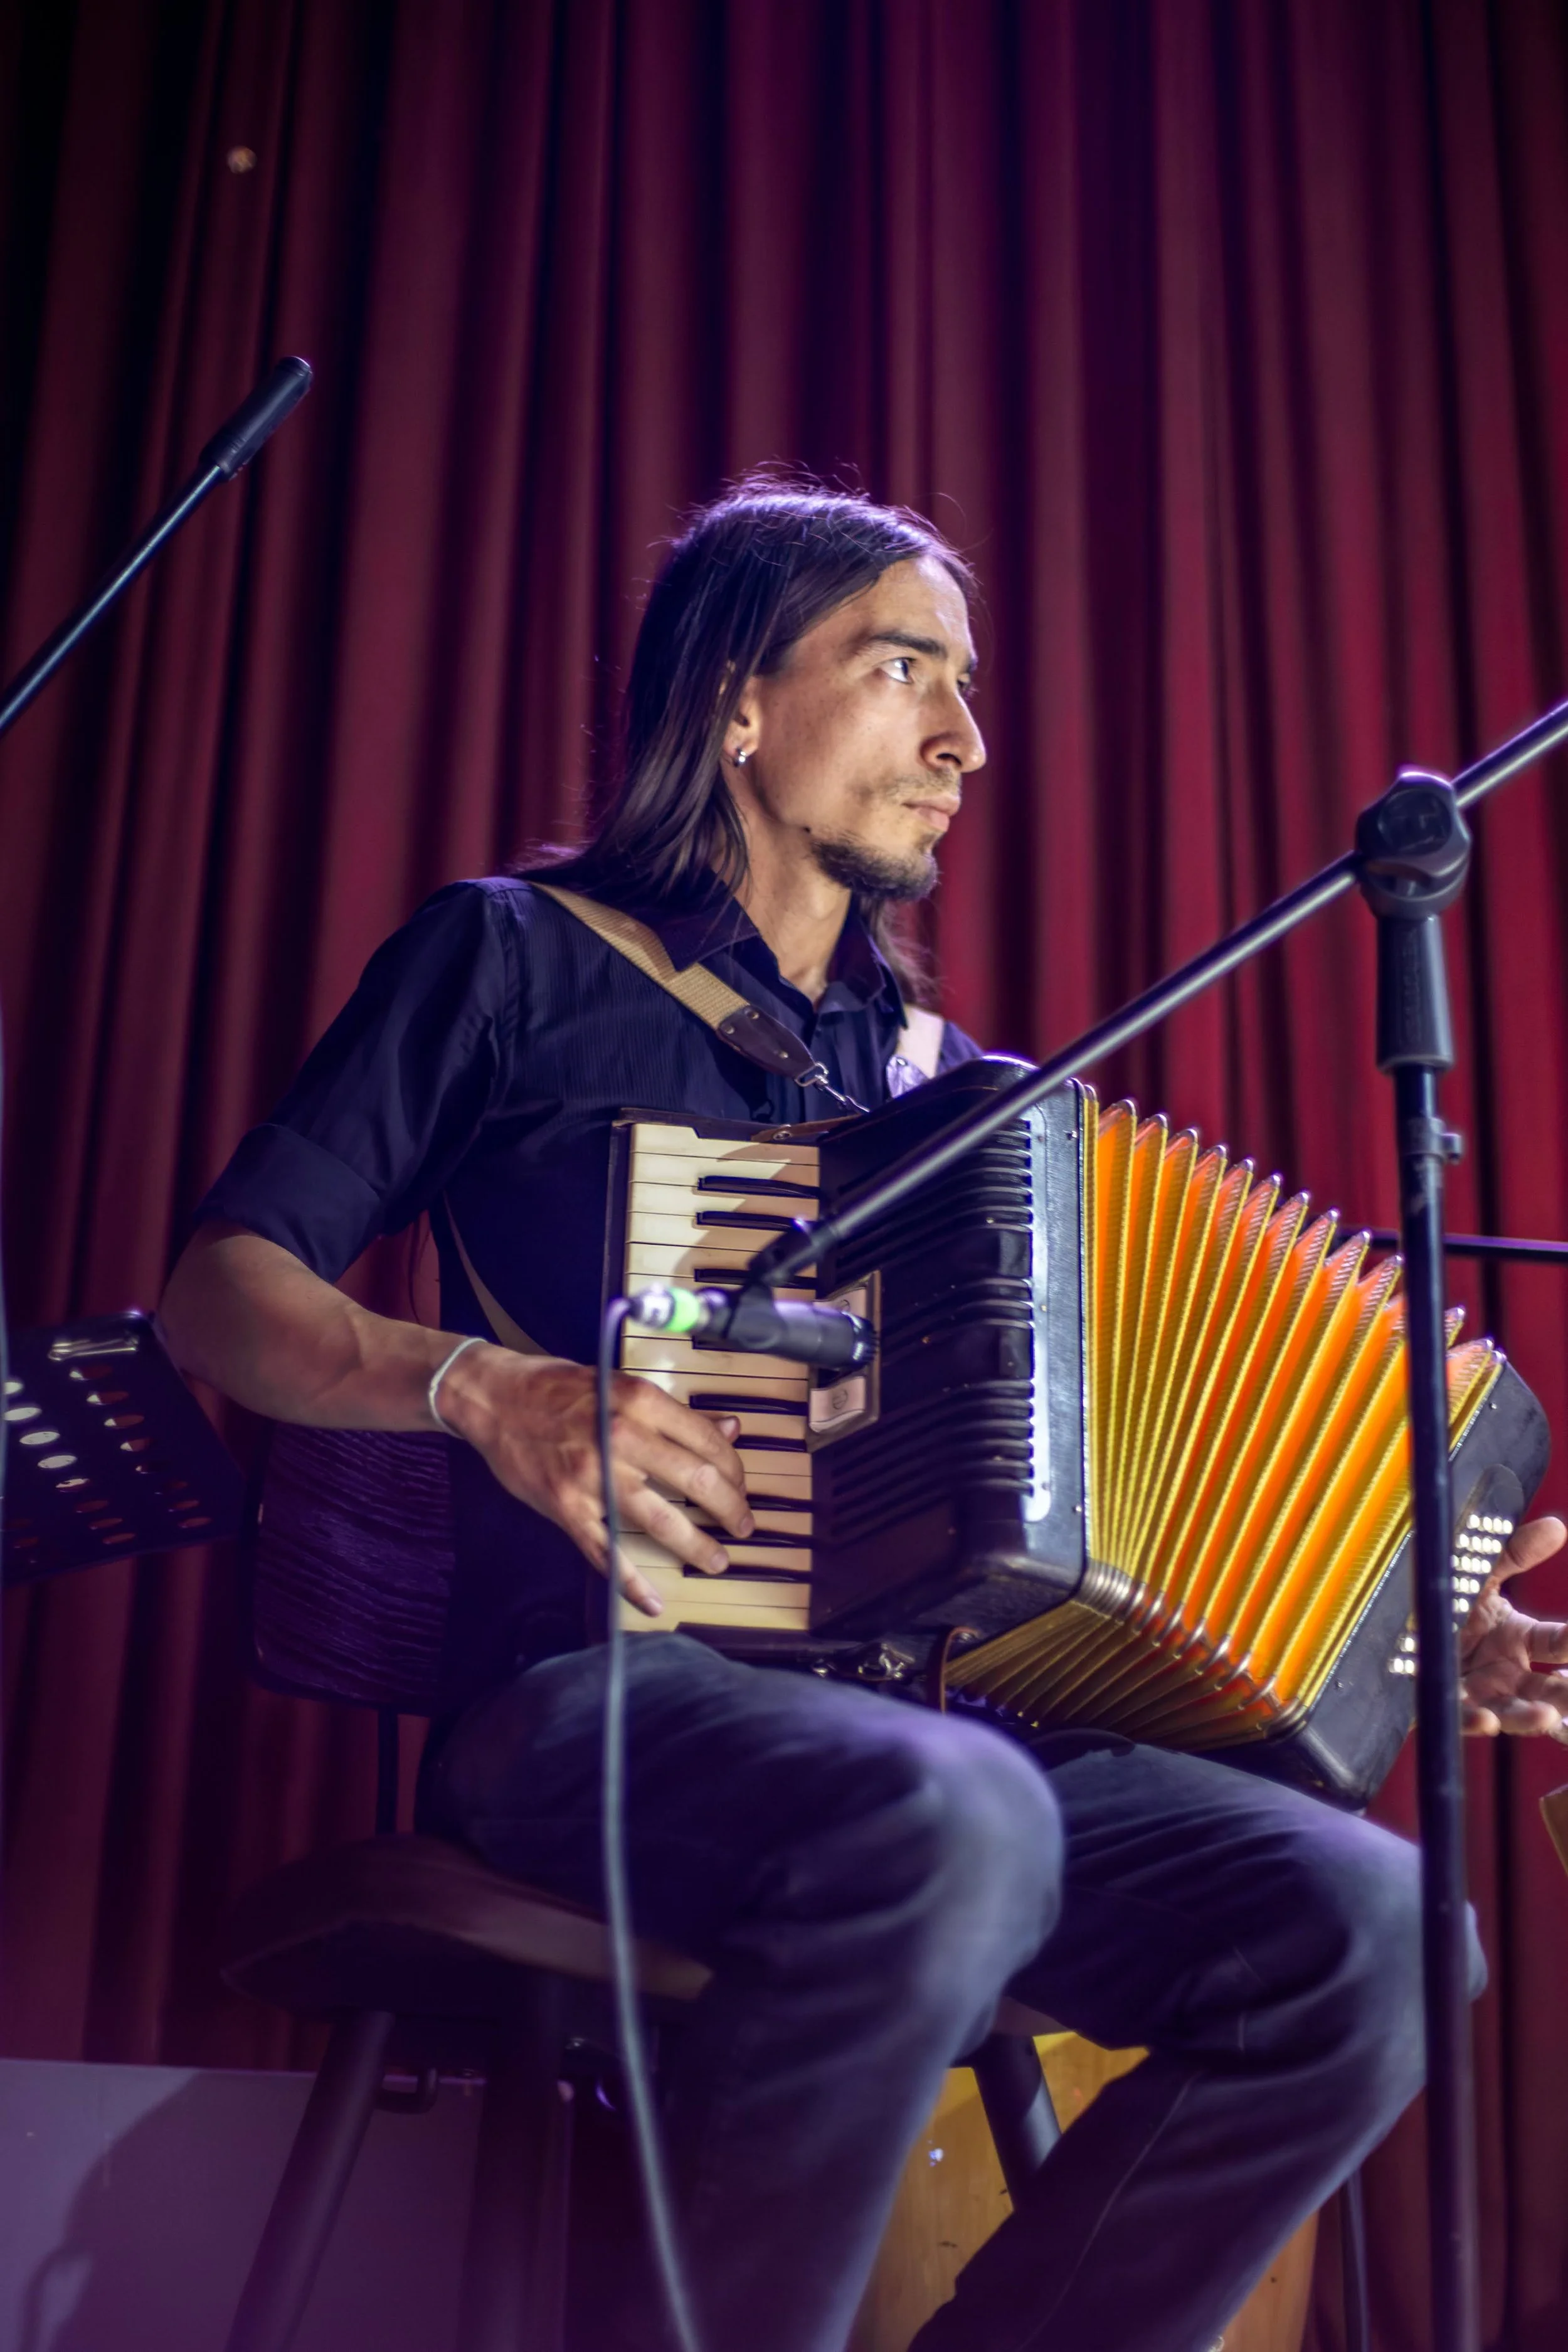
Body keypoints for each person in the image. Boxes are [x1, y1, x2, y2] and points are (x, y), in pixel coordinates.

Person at [158, 478, 1568, 2352]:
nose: (964, 741)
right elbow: (219, 1289)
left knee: (1383, 1932)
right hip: (592, 1701)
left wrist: (1393, 1630)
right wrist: (482, 1385)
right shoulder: (510, 958)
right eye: (905, 667)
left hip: (934, 1735)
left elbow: (1112, 1509)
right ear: (737, 700)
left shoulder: (974, 1103)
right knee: (957, 1813)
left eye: (966, 687)